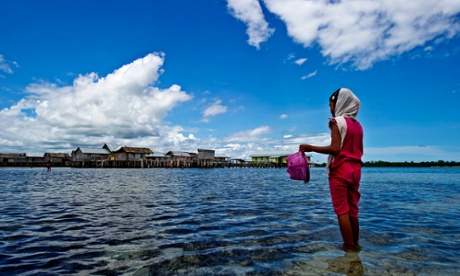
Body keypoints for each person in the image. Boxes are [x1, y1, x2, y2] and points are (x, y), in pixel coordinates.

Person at [299, 88, 363, 251]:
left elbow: (335, 149)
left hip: (341, 170)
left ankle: (348, 247)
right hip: (356, 170)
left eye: (331, 105)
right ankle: (356, 244)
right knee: (353, 210)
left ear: (339, 102)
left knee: (342, 210)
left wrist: (310, 147)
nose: (330, 109)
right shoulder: (358, 125)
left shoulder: (336, 122)